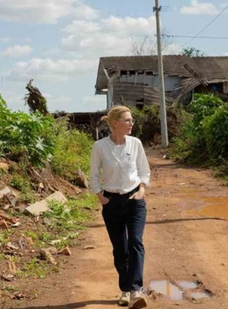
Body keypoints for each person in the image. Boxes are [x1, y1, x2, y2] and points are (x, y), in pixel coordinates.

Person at [90, 106, 151, 309]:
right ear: (115, 123)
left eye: (131, 120)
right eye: (127, 120)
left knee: (135, 241)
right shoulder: (99, 146)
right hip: (112, 202)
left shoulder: (135, 144)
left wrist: (141, 190)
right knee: (120, 249)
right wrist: (100, 196)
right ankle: (125, 290)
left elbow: (144, 170)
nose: (131, 124)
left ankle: (136, 290)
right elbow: (93, 174)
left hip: (135, 199)